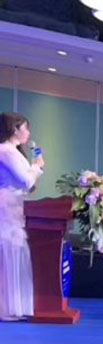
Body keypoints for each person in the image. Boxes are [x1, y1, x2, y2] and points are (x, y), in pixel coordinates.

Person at [0, 113, 43, 322]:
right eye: (25, 128)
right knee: (8, 253)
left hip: (14, 207)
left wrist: (35, 168)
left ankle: (14, 306)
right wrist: (36, 166)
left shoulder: (14, 152)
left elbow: (27, 185)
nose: (28, 133)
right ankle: (6, 308)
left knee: (14, 253)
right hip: (5, 208)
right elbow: (25, 180)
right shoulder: (5, 151)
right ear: (14, 129)